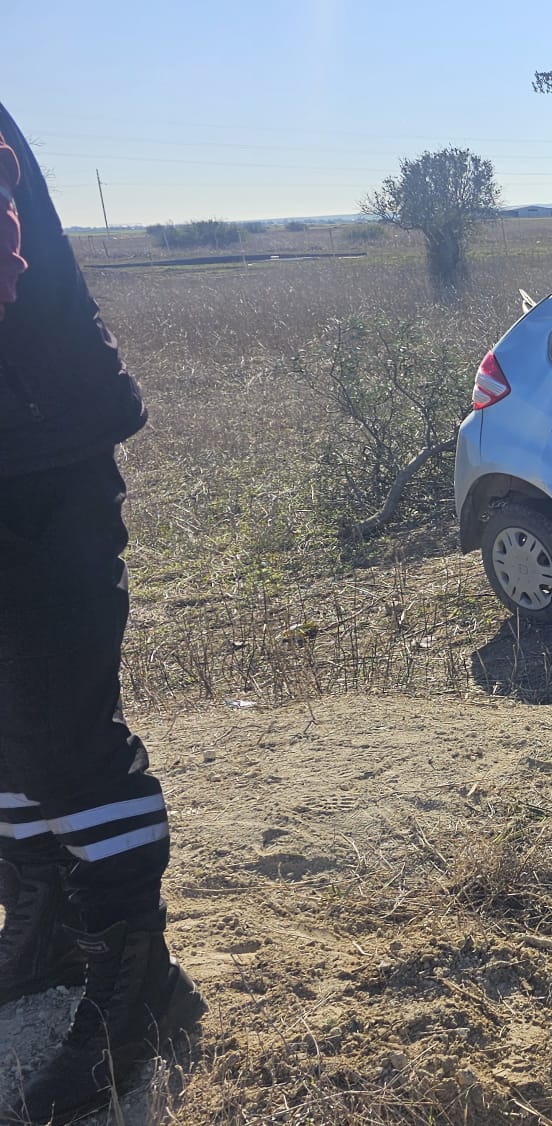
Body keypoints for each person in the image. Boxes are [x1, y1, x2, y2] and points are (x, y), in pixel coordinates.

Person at [0, 100, 203, 1125]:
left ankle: (142, 985)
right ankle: (43, 927)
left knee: (63, 736)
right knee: (10, 728)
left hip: (38, 461)